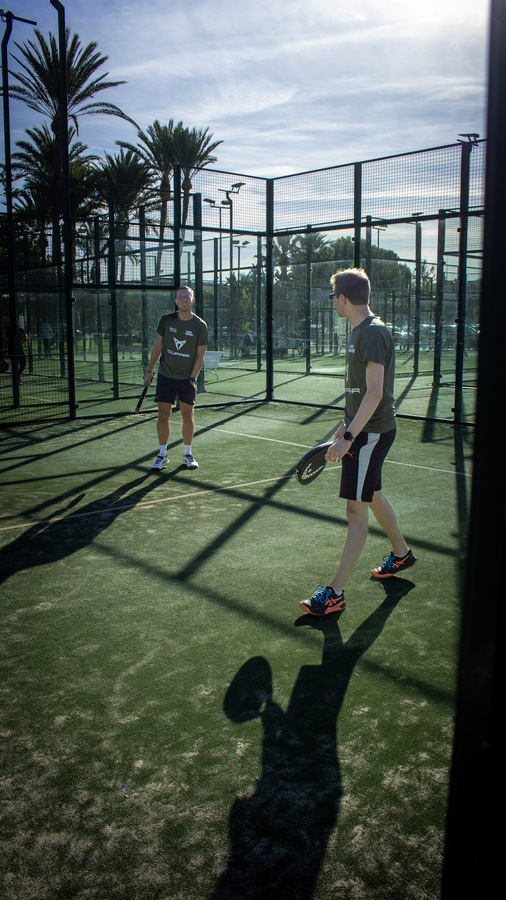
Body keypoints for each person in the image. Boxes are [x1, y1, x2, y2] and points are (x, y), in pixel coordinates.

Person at [299, 268, 417, 617]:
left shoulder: (373, 332)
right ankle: (401, 555)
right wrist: (344, 424)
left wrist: (350, 438)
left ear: (344, 298)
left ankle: (334, 593)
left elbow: (377, 392)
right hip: (361, 430)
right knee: (372, 493)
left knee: (355, 511)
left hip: (371, 434)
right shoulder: (360, 331)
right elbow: (360, 391)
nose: (332, 300)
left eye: (333, 295)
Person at [145, 286, 208, 471]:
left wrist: (192, 378)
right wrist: (150, 370)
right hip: (165, 376)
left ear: (192, 300)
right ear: (176, 301)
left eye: (187, 296)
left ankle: (187, 454)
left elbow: (200, 356)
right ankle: (162, 455)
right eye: (180, 297)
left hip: (186, 380)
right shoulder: (166, 321)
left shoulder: (200, 326)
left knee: (187, 416)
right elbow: (158, 346)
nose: (183, 300)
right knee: (163, 415)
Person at [5, 317, 27, 384]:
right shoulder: (9, 331)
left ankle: (18, 375)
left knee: (23, 363)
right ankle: (16, 379)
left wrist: (20, 342)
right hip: (12, 350)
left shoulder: (21, 330)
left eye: (17, 321)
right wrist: (4, 348)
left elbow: (25, 337)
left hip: (20, 350)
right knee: (15, 364)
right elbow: (6, 340)